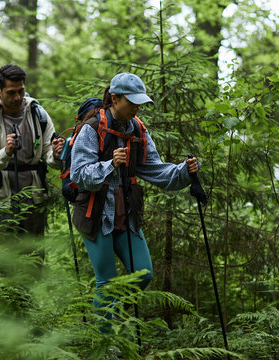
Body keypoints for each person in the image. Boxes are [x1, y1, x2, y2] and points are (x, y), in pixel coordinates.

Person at [70, 72, 200, 323]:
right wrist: (110, 165)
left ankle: (107, 320)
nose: (137, 107)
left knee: (143, 274)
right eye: (132, 101)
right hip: (96, 213)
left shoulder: (138, 129)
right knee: (106, 282)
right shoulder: (92, 127)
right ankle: (104, 342)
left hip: (127, 213)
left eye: (139, 102)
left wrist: (185, 169)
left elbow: (156, 170)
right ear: (115, 99)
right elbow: (79, 174)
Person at [0, 64, 64, 235]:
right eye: (11, 92)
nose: (18, 97)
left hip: (34, 201)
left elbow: (48, 155)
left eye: (21, 91)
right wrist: (5, 153)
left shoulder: (38, 114)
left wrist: (57, 154)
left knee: (34, 257)